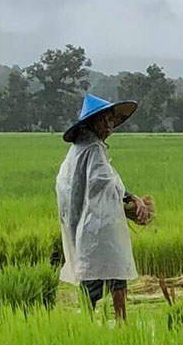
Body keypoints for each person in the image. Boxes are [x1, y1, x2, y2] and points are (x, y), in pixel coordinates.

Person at [55, 93, 148, 323]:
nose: (109, 125)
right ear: (91, 122)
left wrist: (129, 198)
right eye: (104, 119)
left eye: (111, 120)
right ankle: (119, 323)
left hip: (90, 224)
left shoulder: (79, 150)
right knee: (107, 275)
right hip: (97, 226)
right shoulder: (92, 149)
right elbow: (104, 182)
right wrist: (132, 198)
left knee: (104, 276)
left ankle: (92, 325)